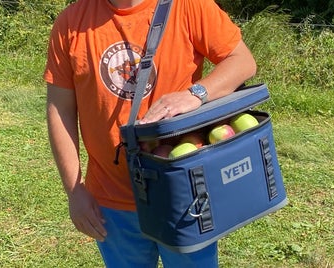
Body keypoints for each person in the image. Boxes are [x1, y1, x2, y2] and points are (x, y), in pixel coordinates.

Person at [43, 0, 257, 266]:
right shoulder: (71, 22)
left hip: (182, 195)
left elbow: (242, 61)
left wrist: (196, 94)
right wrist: (74, 191)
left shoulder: (189, 6)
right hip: (111, 201)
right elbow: (60, 109)